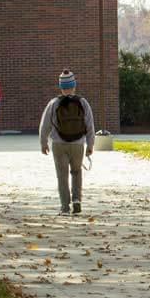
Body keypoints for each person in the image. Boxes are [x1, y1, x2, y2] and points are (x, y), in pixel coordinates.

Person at [39, 69, 96, 215]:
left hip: (59, 144)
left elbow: (45, 125)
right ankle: (77, 200)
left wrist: (43, 142)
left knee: (62, 175)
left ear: (61, 87)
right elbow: (90, 125)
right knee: (76, 172)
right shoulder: (83, 102)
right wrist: (90, 145)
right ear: (74, 85)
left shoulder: (54, 103)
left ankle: (65, 207)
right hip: (78, 144)